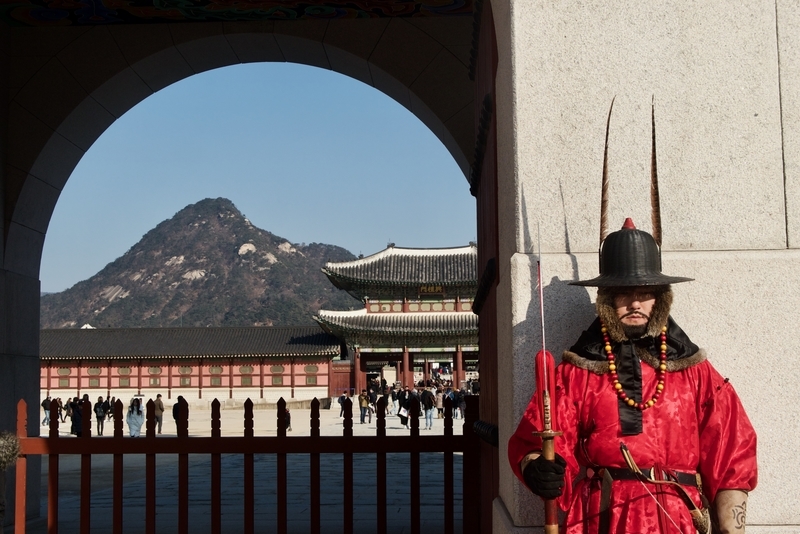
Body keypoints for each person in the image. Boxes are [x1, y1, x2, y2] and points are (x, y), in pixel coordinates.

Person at [508, 219, 758, 534]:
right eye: (624, 293)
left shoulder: (696, 372)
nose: (636, 302)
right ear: (607, 299)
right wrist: (536, 467)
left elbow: (732, 452)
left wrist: (731, 530)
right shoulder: (578, 372)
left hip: (676, 517)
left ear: (661, 298)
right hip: (602, 518)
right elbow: (539, 438)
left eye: (646, 292)